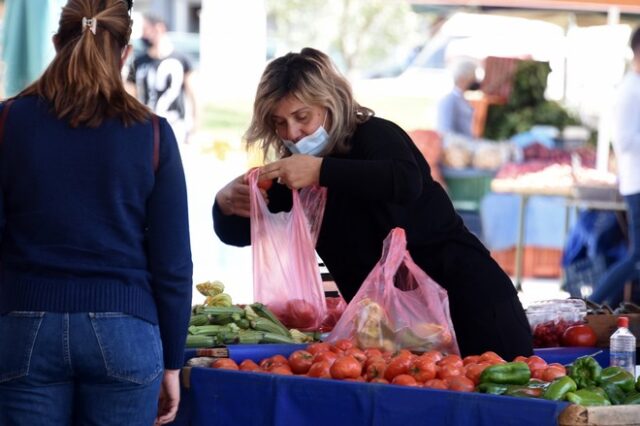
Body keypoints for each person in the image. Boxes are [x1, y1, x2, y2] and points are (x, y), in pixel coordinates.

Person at [212, 47, 533, 361]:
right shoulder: (294, 172)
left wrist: (322, 170)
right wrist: (224, 204)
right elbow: (242, 232)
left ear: (330, 103)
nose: (292, 133)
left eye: (302, 117)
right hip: (401, 334)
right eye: (279, 123)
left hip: (471, 305)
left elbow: (405, 181)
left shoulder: (374, 135)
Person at [0, 1, 192, 425]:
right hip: (126, 330)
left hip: (23, 328)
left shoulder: (8, 121)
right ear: (125, 52)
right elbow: (173, 264)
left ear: (56, 44)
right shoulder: (153, 134)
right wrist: (173, 363)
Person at [590, 26, 640, 304]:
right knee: (637, 259)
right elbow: (624, 141)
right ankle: (593, 303)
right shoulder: (629, 91)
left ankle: (594, 305)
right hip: (636, 183)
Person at [127, 14, 197, 145]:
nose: (143, 35)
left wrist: (194, 126)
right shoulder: (138, 62)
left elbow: (193, 95)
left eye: (145, 29)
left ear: (159, 28)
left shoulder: (182, 59)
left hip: (175, 126)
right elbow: (131, 95)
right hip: (145, 126)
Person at [436, 59, 478, 138]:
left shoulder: (462, 99)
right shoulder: (449, 101)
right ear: (462, 78)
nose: (475, 80)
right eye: (473, 77)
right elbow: (445, 133)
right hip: (458, 147)